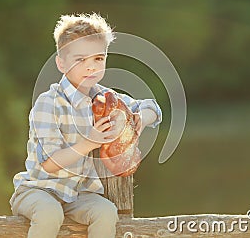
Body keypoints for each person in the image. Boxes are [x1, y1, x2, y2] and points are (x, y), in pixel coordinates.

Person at [10, 13, 162, 238]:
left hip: (78, 193)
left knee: (106, 212)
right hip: (38, 190)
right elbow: (49, 164)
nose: (91, 67)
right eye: (80, 60)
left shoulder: (105, 97)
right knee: (49, 213)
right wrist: (88, 142)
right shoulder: (48, 103)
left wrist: (139, 120)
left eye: (98, 59)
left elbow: (153, 108)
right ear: (61, 63)